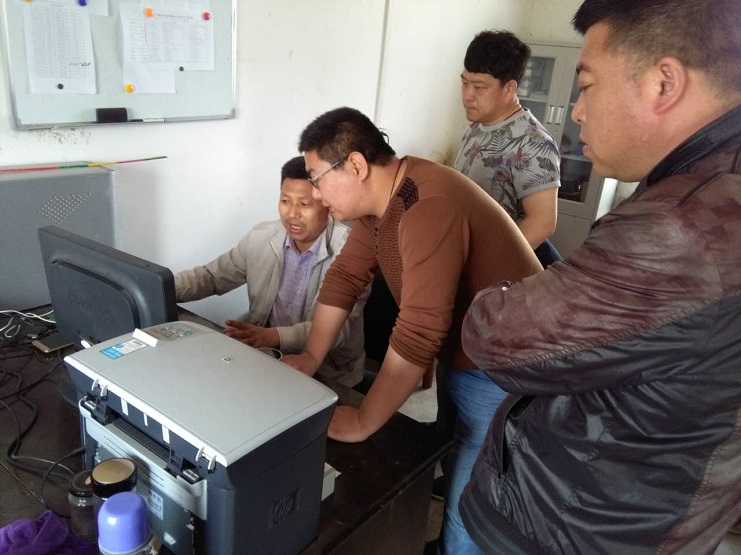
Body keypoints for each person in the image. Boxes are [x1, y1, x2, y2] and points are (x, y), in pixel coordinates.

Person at [459, 1, 741, 553]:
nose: (578, 111)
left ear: (664, 83)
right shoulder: (701, 183)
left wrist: (506, 287)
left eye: (587, 85)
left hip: (582, 523)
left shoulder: (680, 227)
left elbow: (494, 334)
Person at [282, 107, 542, 554]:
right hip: (466, 354)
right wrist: (310, 357)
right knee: (454, 453)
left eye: (318, 179)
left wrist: (364, 419)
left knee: (473, 492)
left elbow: (420, 328)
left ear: (356, 165)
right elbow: (345, 278)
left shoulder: (426, 205)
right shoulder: (381, 205)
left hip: (506, 366)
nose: (317, 195)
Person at [175, 156, 367, 388]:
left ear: (327, 205)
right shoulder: (261, 237)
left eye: (304, 204)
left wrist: (274, 336)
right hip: (265, 358)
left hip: (327, 372)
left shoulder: (352, 252)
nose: (292, 214)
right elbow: (212, 277)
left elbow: (339, 330)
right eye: (285, 201)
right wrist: (163, 286)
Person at [454, 30, 562, 267]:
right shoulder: (477, 127)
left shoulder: (533, 142)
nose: (467, 95)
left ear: (509, 89)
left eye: (479, 87)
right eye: (465, 83)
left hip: (500, 268)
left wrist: (486, 265)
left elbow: (542, 222)